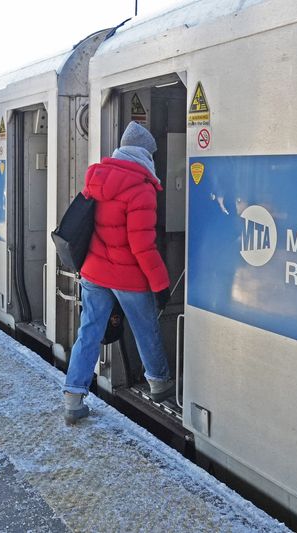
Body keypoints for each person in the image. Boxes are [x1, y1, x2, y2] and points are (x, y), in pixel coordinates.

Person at [63, 121, 173, 425]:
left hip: (95, 273)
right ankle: (159, 383)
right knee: (145, 328)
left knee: (89, 332)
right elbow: (142, 246)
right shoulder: (141, 189)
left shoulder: (97, 178)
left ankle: (73, 397)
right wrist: (161, 284)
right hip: (128, 278)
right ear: (145, 154)